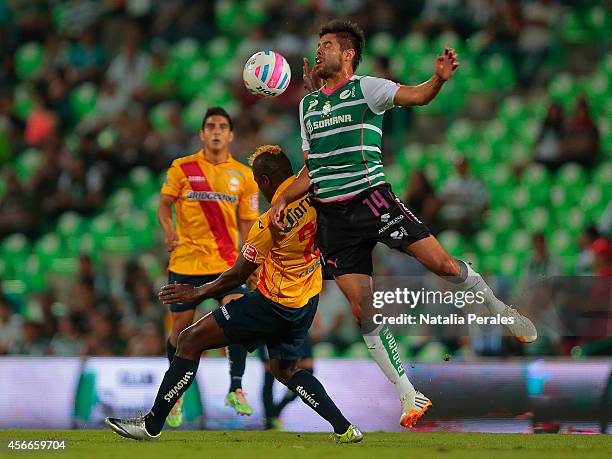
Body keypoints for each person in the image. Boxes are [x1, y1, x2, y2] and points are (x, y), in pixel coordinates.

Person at [271, 19, 537, 428]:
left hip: (372, 199)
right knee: (364, 311)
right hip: (333, 219)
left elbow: (416, 96)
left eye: (326, 45)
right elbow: (312, 168)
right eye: (318, 44)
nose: (318, 50)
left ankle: (501, 309)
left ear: (347, 55)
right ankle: (408, 393)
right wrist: (283, 197)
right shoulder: (307, 107)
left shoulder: (367, 88)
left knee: (444, 266)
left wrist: (438, 79)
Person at [105, 145, 362, 444]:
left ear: (265, 180)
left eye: (257, 180)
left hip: (271, 305)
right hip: (305, 303)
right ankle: (345, 428)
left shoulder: (269, 223)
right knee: (286, 371)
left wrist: (197, 292)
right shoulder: (315, 193)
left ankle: (151, 424)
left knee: (189, 340)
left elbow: (237, 274)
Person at [157, 107, 259, 427]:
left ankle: (236, 387)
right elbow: (164, 204)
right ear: (202, 134)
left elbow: (249, 225)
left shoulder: (244, 176)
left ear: (230, 135)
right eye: (211, 126)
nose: (216, 131)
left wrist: (251, 263)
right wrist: (169, 231)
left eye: (223, 126)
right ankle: (175, 395)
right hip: (186, 261)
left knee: (238, 315)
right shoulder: (182, 168)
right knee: (181, 331)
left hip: (226, 264)